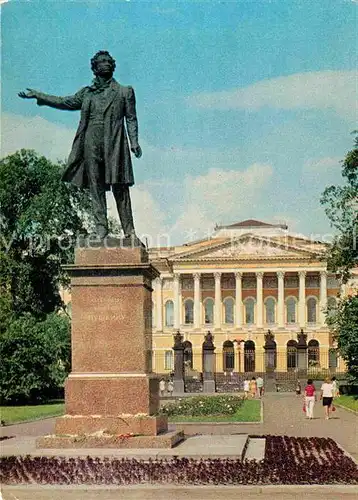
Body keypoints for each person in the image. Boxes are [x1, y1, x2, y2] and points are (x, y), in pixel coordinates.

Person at [18, 51, 142, 240]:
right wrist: (39, 95)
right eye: (102, 61)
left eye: (109, 61)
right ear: (94, 67)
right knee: (96, 186)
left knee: (120, 187)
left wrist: (134, 142)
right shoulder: (87, 93)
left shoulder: (125, 91)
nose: (106, 63)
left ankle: (129, 231)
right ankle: (101, 228)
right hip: (91, 143)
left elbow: (131, 118)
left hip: (115, 143)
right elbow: (64, 102)